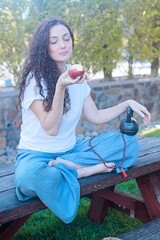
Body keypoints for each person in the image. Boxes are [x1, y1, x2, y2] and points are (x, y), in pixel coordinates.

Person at [15, 17, 151, 224]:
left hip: (71, 151)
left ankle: (67, 166)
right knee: (31, 176)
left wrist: (127, 103)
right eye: (54, 41)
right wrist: (60, 87)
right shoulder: (35, 80)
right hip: (36, 156)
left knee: (129, 145)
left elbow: (95, 116)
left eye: (66, 38)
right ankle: (83, 170)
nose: (62, 45)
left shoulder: (76, 75)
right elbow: (51, 128)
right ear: (44, 46)